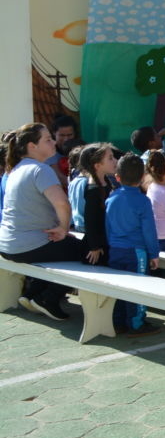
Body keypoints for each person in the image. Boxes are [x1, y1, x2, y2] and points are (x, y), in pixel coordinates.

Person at [0, 124, 86, 320]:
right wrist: (63, 229)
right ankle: (48, 298)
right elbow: (63, 204)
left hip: (8, 244)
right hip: (26, 245)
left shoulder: (16, 169)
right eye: (47, 139)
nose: (54, 142)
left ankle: (31, 294)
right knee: (90, 252)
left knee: (67, 247)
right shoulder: (40, 169)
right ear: (32, 146)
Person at [102, 154, 162, 336]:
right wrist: (154, 254)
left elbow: (107, 226)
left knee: (119, 287)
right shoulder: (143, 201)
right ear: (143, 176)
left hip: (115, 250)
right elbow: (149, 231)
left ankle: (118, 321)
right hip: (136, 252)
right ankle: (136, 323)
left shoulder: (111, 198)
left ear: (117, 177)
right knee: (138, 287)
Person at [80, 142, 117, 265]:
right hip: (96, 249)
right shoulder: (93, 190)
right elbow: (90, 220)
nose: (115, 161)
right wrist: (94, 246)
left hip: (105, 241)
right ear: (97, 165)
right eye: (110, 158)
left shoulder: (106, 183)